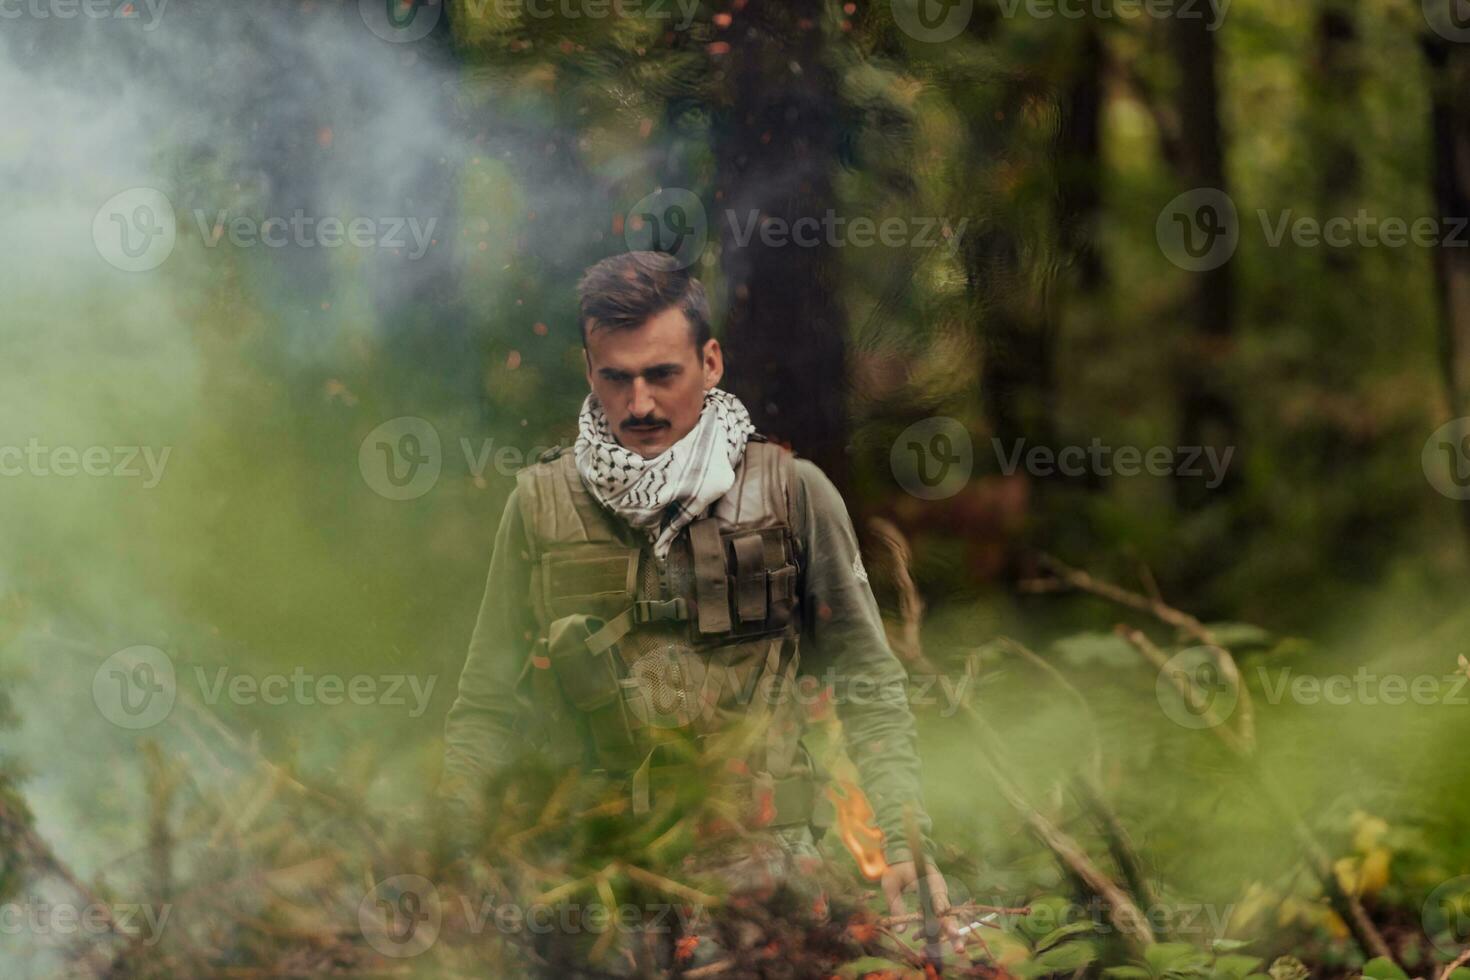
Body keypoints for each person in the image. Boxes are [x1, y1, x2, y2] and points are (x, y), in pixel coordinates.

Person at [439, 251, 957, 967]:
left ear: (710, 362)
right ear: (590, 371)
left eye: (662, 374)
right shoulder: (538, 507)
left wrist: (902, 843)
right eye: (616, 378)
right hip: (596, 876)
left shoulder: (794, 493)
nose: (640, 404)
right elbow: (485, 703)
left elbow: (866, 679)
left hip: (766, 875)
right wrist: (457, 852)